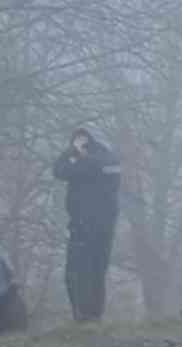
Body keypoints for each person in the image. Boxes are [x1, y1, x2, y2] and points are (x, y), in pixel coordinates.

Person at [53, 128, 121, 322]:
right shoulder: (111, 159)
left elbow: (59, 170)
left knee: (76, 271)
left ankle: (83, 317)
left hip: (84, 224)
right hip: (107, 225)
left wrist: (72, 151)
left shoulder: (87, 163)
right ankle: (95, 315)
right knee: (98, 269)